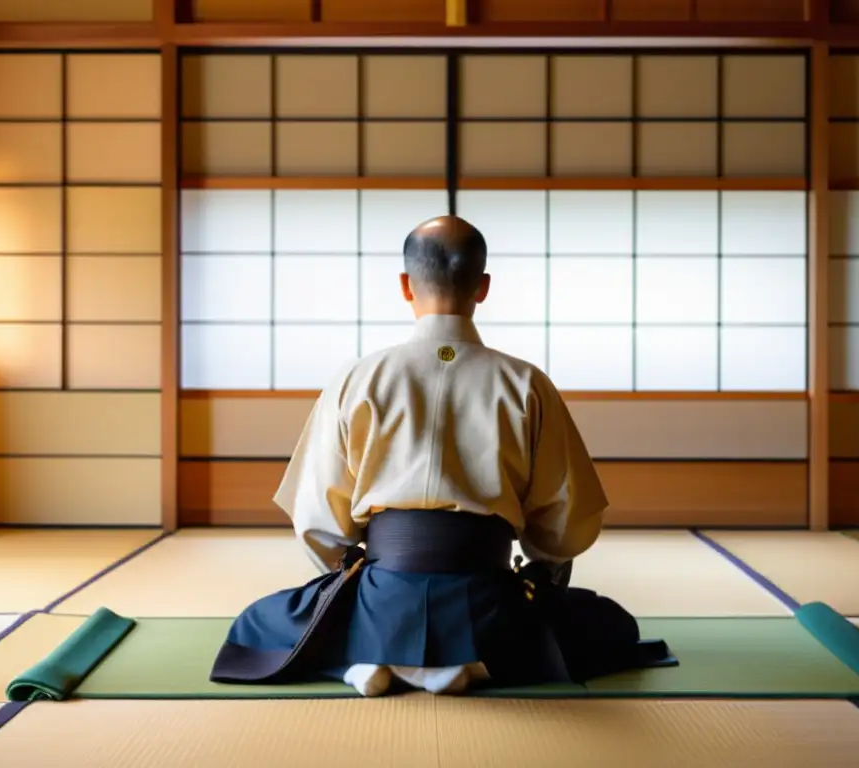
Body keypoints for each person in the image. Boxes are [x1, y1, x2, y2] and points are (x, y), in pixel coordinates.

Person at [210, 215, 675, 697]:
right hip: (488, 602)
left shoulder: (358, 379)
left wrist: (349, 572)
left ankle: (366, 656)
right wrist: (541, 572)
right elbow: (564, 523)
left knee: (258, 624)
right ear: (484, 286)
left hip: (381, 596)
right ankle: (473, 662)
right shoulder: (526, 384)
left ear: (406, 286)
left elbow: (318, 520)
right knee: (609, 624)